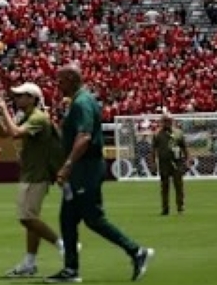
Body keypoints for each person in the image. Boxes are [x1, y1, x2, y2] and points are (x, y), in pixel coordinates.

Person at [45, 65, 155, 284]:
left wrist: (67, 165)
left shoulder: (82, 103)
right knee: (67, 219)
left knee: (93, 218)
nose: (57, 85)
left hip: (86, 168)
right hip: (80, 169)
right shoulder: (77, 102)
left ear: (71, 79)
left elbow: (84, 136)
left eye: (60, 80)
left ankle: (136, 251)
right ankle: (70, 269)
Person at [0, 83, 64, 278]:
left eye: (21, 96)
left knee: (27, 218)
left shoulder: (38, 118)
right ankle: (29, 263)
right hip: (30, 173)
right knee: (31, 218)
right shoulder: (28, 117)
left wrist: (4, 110)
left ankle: (63, 246)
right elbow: (3, 134)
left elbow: (14, 133)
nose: (16, 99)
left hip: (37, 174)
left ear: (32, 98)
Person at [151, 113, 188, 216]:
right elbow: (153, 150)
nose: (167, 123)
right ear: (162, 122)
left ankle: (180, 208)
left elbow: (184, 148)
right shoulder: (157, 134)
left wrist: (187, 160)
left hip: (177, 163)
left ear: (172, 121)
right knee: (164, 186)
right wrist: (153, 163)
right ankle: (165, 209)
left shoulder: (178, 133)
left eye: (169, 121)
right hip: (164, 163)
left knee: (179, 185)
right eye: (165, 121)